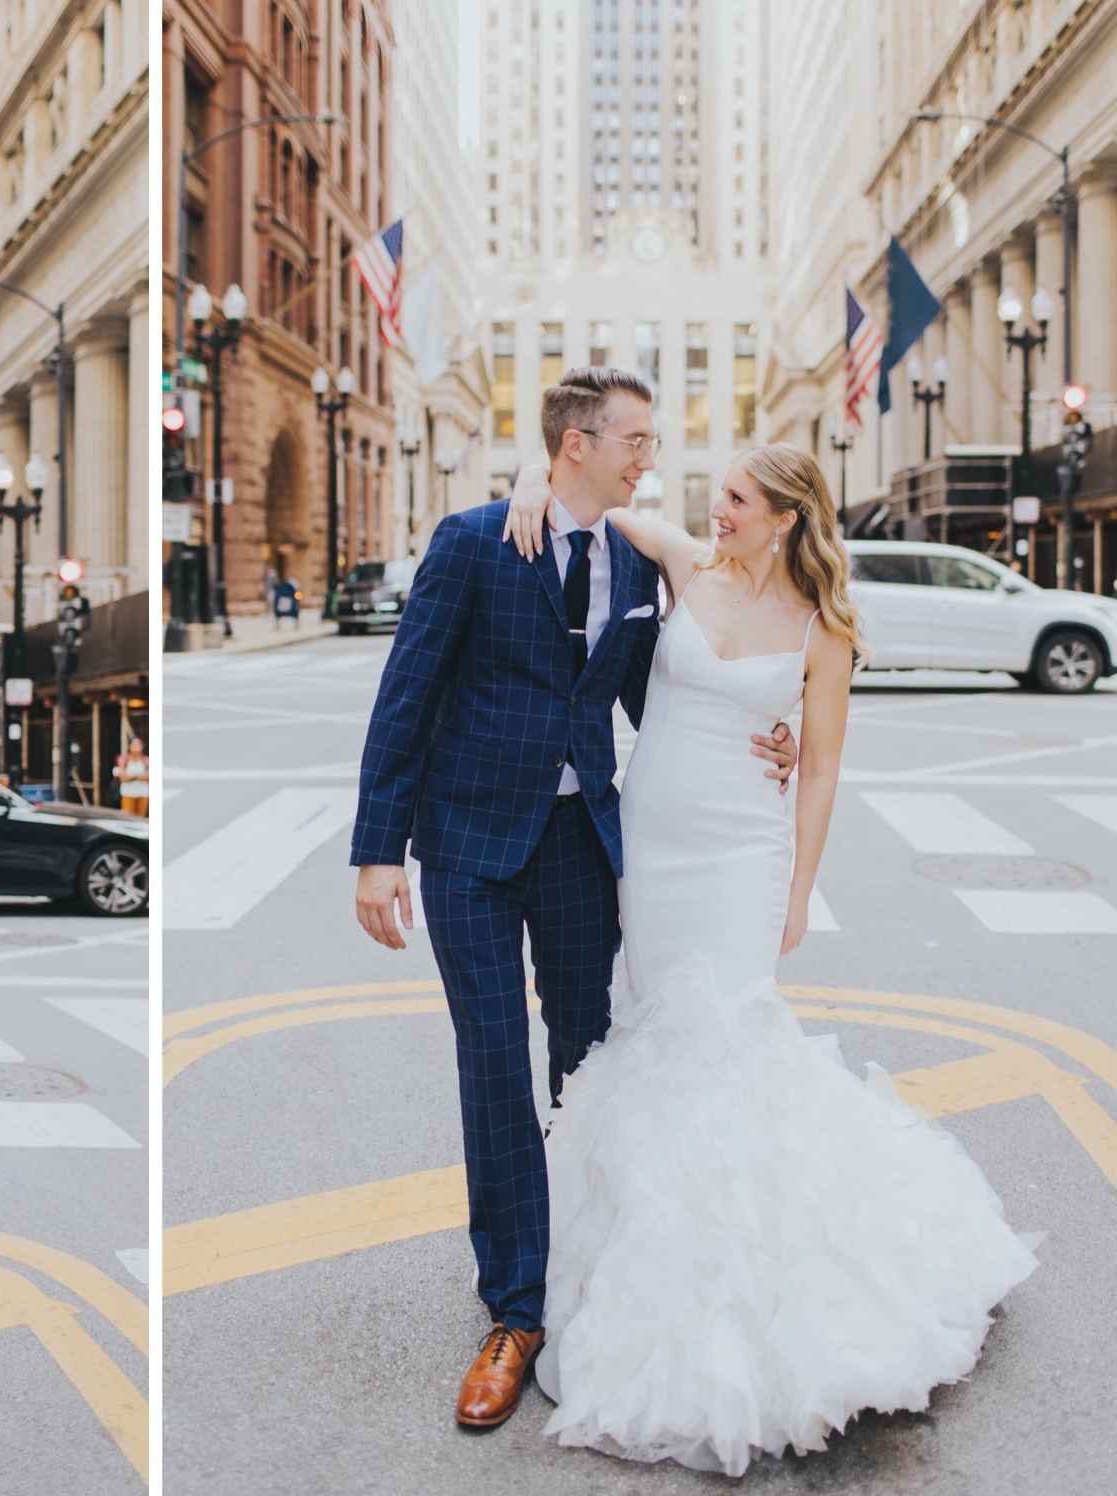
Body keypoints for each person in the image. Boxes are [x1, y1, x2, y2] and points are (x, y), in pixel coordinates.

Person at [502, 446, 1036, 1475]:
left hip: (741, 855)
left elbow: (824, 761)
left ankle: (745, 1265)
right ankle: (646, 1240)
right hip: (650, 847)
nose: (718, 509)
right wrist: (530, 481)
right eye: (720, 497)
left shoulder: (821, 625)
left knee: (727, 1037)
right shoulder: (681, 564)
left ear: (785, 517)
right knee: (654, 1030)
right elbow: (591, 508)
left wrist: (794, 885)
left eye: (738, 500)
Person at [350, 369, 802, 1434]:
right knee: (494, 1062)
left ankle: (593, 1259)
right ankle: (515, 1306)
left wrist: (761, 732)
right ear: (573, 447)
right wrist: (377, 851)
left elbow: (665, 686)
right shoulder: (470, 542)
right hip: (463, 843)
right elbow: (405, 692)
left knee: (590, 1054)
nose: (650, 454)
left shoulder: (631, 559)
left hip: (578, 839)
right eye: (634, 439)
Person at [116, 737, 149, 817]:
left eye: (139, 745)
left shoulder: (146, 760)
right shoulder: (124, 760)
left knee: (141, 818)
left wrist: (132, 776)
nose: (136, 747)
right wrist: (139, 776)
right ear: (130, 747)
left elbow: (149, 777)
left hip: (143, 793)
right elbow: (123, 778)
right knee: (128, 818)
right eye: (134, 745)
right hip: (128, 794)